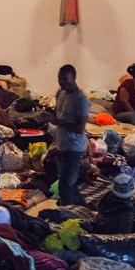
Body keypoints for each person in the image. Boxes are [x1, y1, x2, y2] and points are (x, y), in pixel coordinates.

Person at [45, 64, 90, 207]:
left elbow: (79, 128)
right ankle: (82, 209)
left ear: (74, 78)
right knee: (70, 184)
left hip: (74, 147)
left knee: (65, 185)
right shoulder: (60, 94)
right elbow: (59, 117)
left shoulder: (81, 99)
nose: (62, 82)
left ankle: (67, 214)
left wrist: (55, 121)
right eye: (59, 78)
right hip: (62, 145)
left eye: (65, 79)